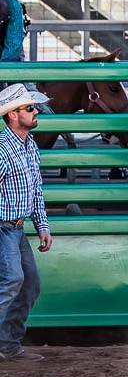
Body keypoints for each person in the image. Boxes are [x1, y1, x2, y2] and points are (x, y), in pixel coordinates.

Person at [0, 83, 53, 362]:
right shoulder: (2, 149)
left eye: (35, 107)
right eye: (30, 108)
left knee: (29, 284)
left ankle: (9, 346)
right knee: (13, 280)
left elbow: (36, 189)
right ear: (12, 115)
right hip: (3, 227)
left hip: (17, 229)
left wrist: (42, 226)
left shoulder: (29, 146)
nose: (36, 111)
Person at [0, 0, 27, 64]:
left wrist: (4, 66)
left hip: (8, 57)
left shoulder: (13, 6)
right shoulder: (14, 5)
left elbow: (13, 42)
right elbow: (14, 41)